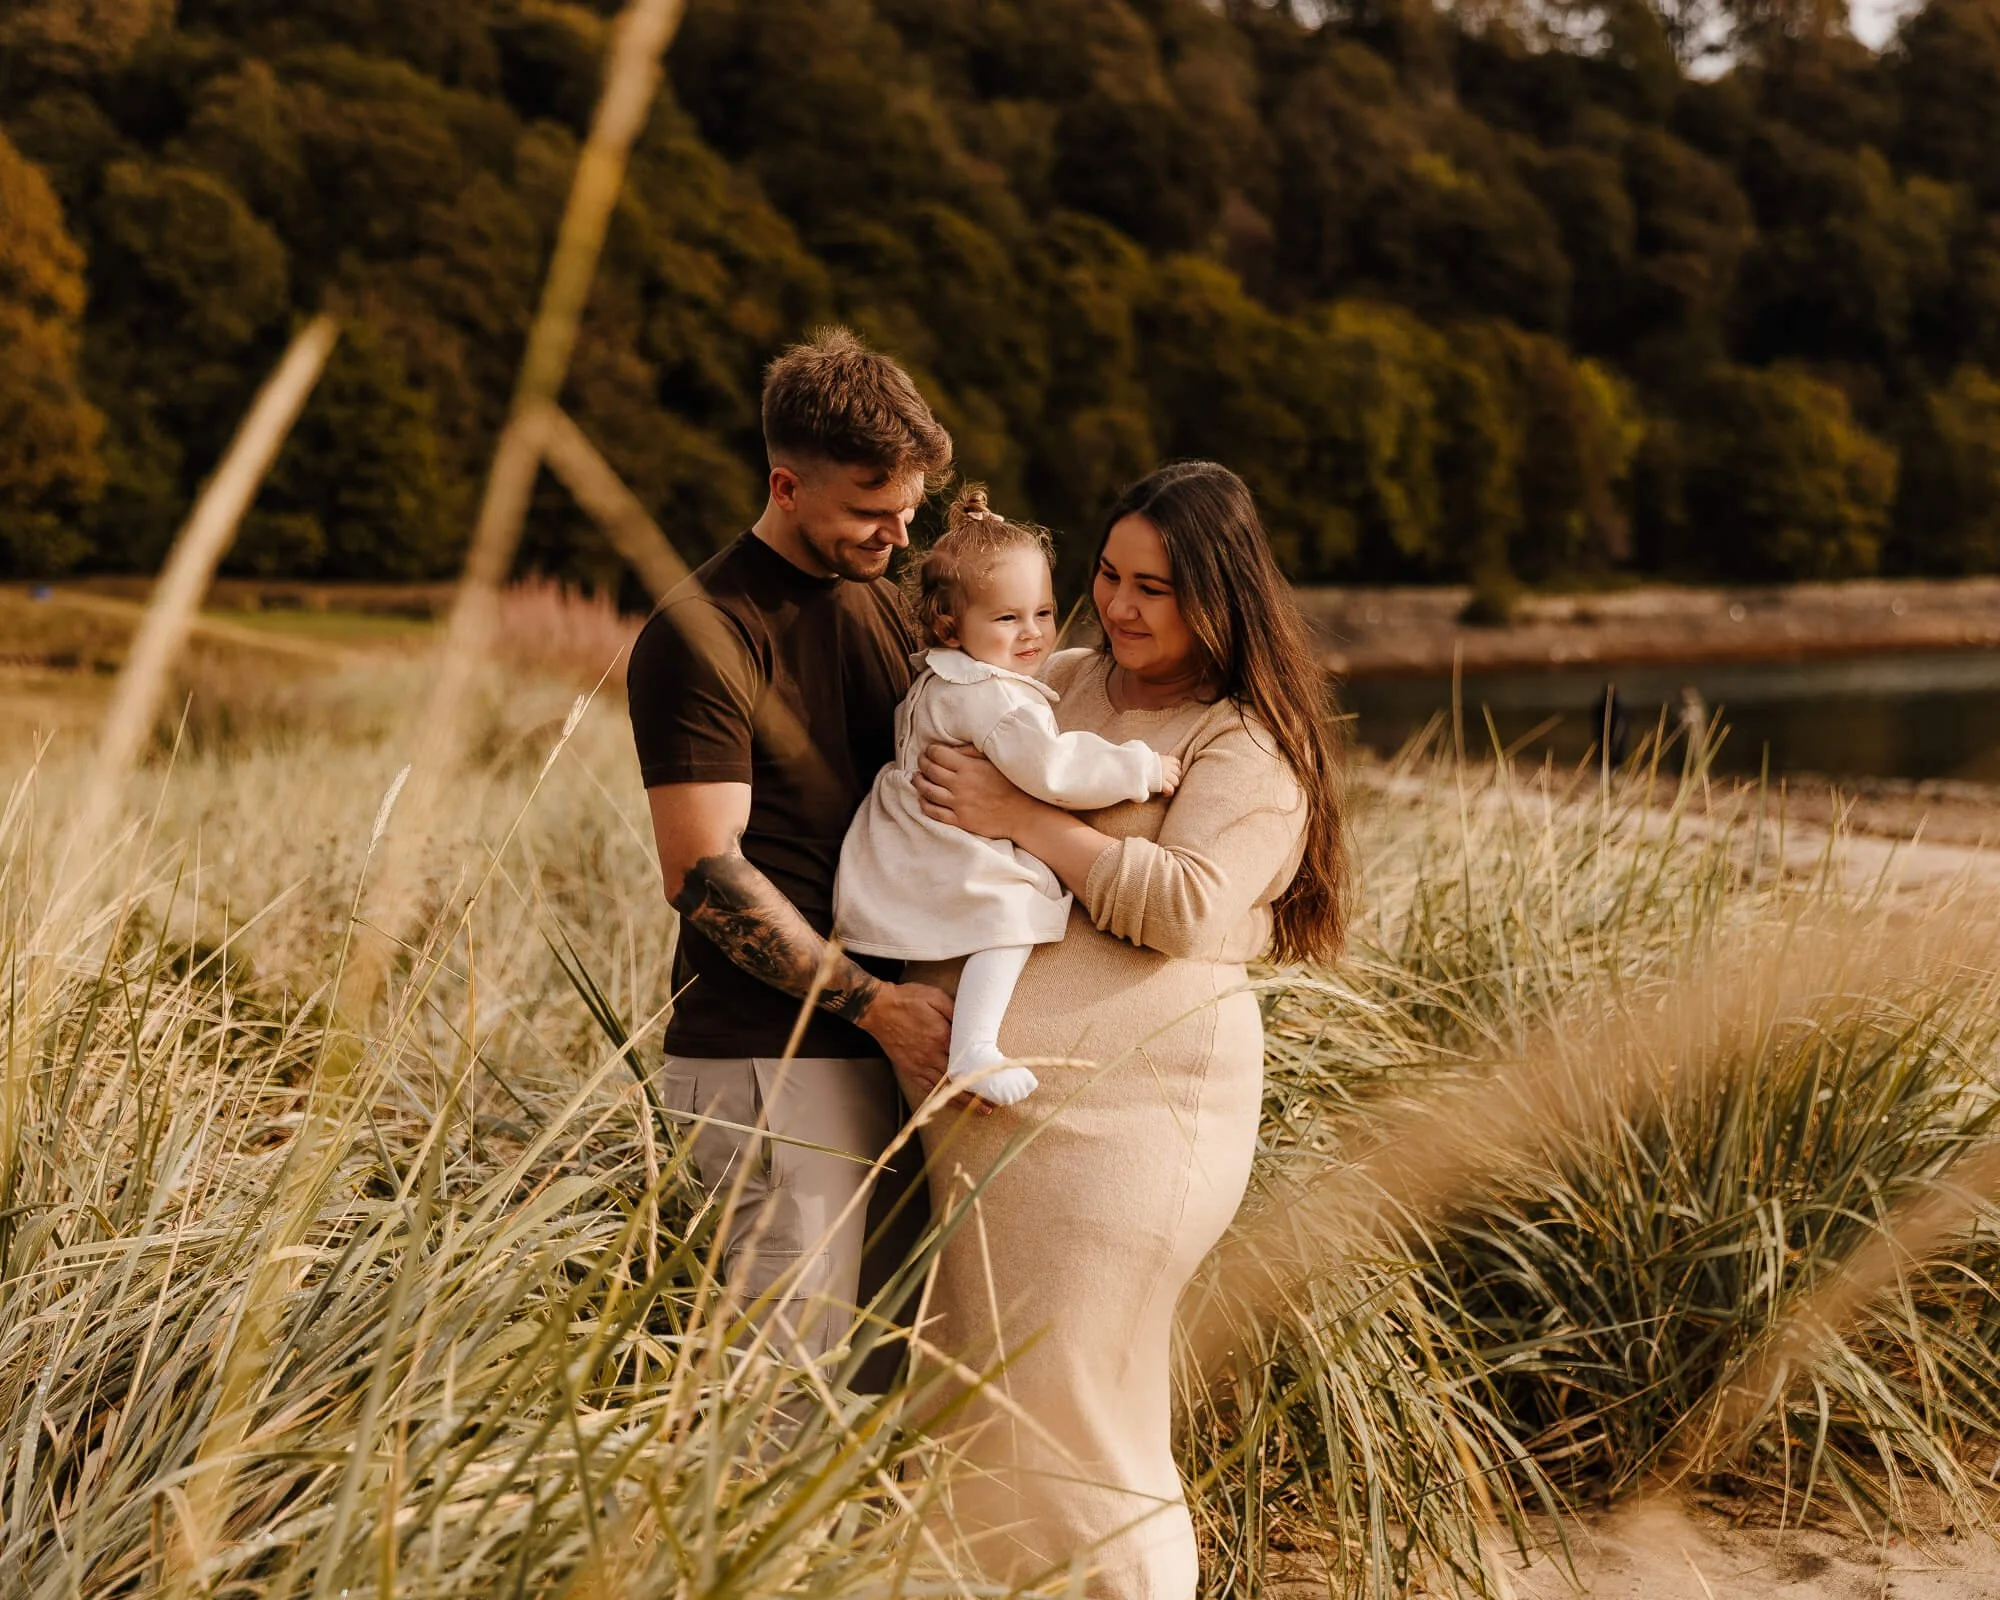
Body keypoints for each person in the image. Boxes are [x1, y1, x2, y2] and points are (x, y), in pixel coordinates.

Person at [908, 461, 1349, 1595]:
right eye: (1106, 573)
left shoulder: (1245, 741)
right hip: (992, 1115)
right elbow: (937, 778)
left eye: (1153, 586)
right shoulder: (1056, 681)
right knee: (982, 1397)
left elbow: (1186, 905)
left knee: (1085, 1409)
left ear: (1220, 593)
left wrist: (1027, 816)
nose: (1116, 605)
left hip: (1132, 1126)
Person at [625, 326, 955, 1377]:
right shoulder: (704, 628)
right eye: (869, 510)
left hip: (879, 1054)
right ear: (784, 483)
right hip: (766, 1067)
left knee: (870, 1396)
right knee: (771, 1413)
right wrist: (880, 1009)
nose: (894, 533)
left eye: (908, 509)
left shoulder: (888, 601)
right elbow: (702, 874)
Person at [833, 486, 1181, 1107]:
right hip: (948, 846)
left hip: (905, 843)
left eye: (1043, 614)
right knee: (1011, 919)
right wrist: (1140, 768)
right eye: (1006, 618)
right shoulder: (998, 698)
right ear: (949, 622)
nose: (1032, 635)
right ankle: (974, 1048)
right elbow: (1055, 771)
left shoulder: (942, 673)